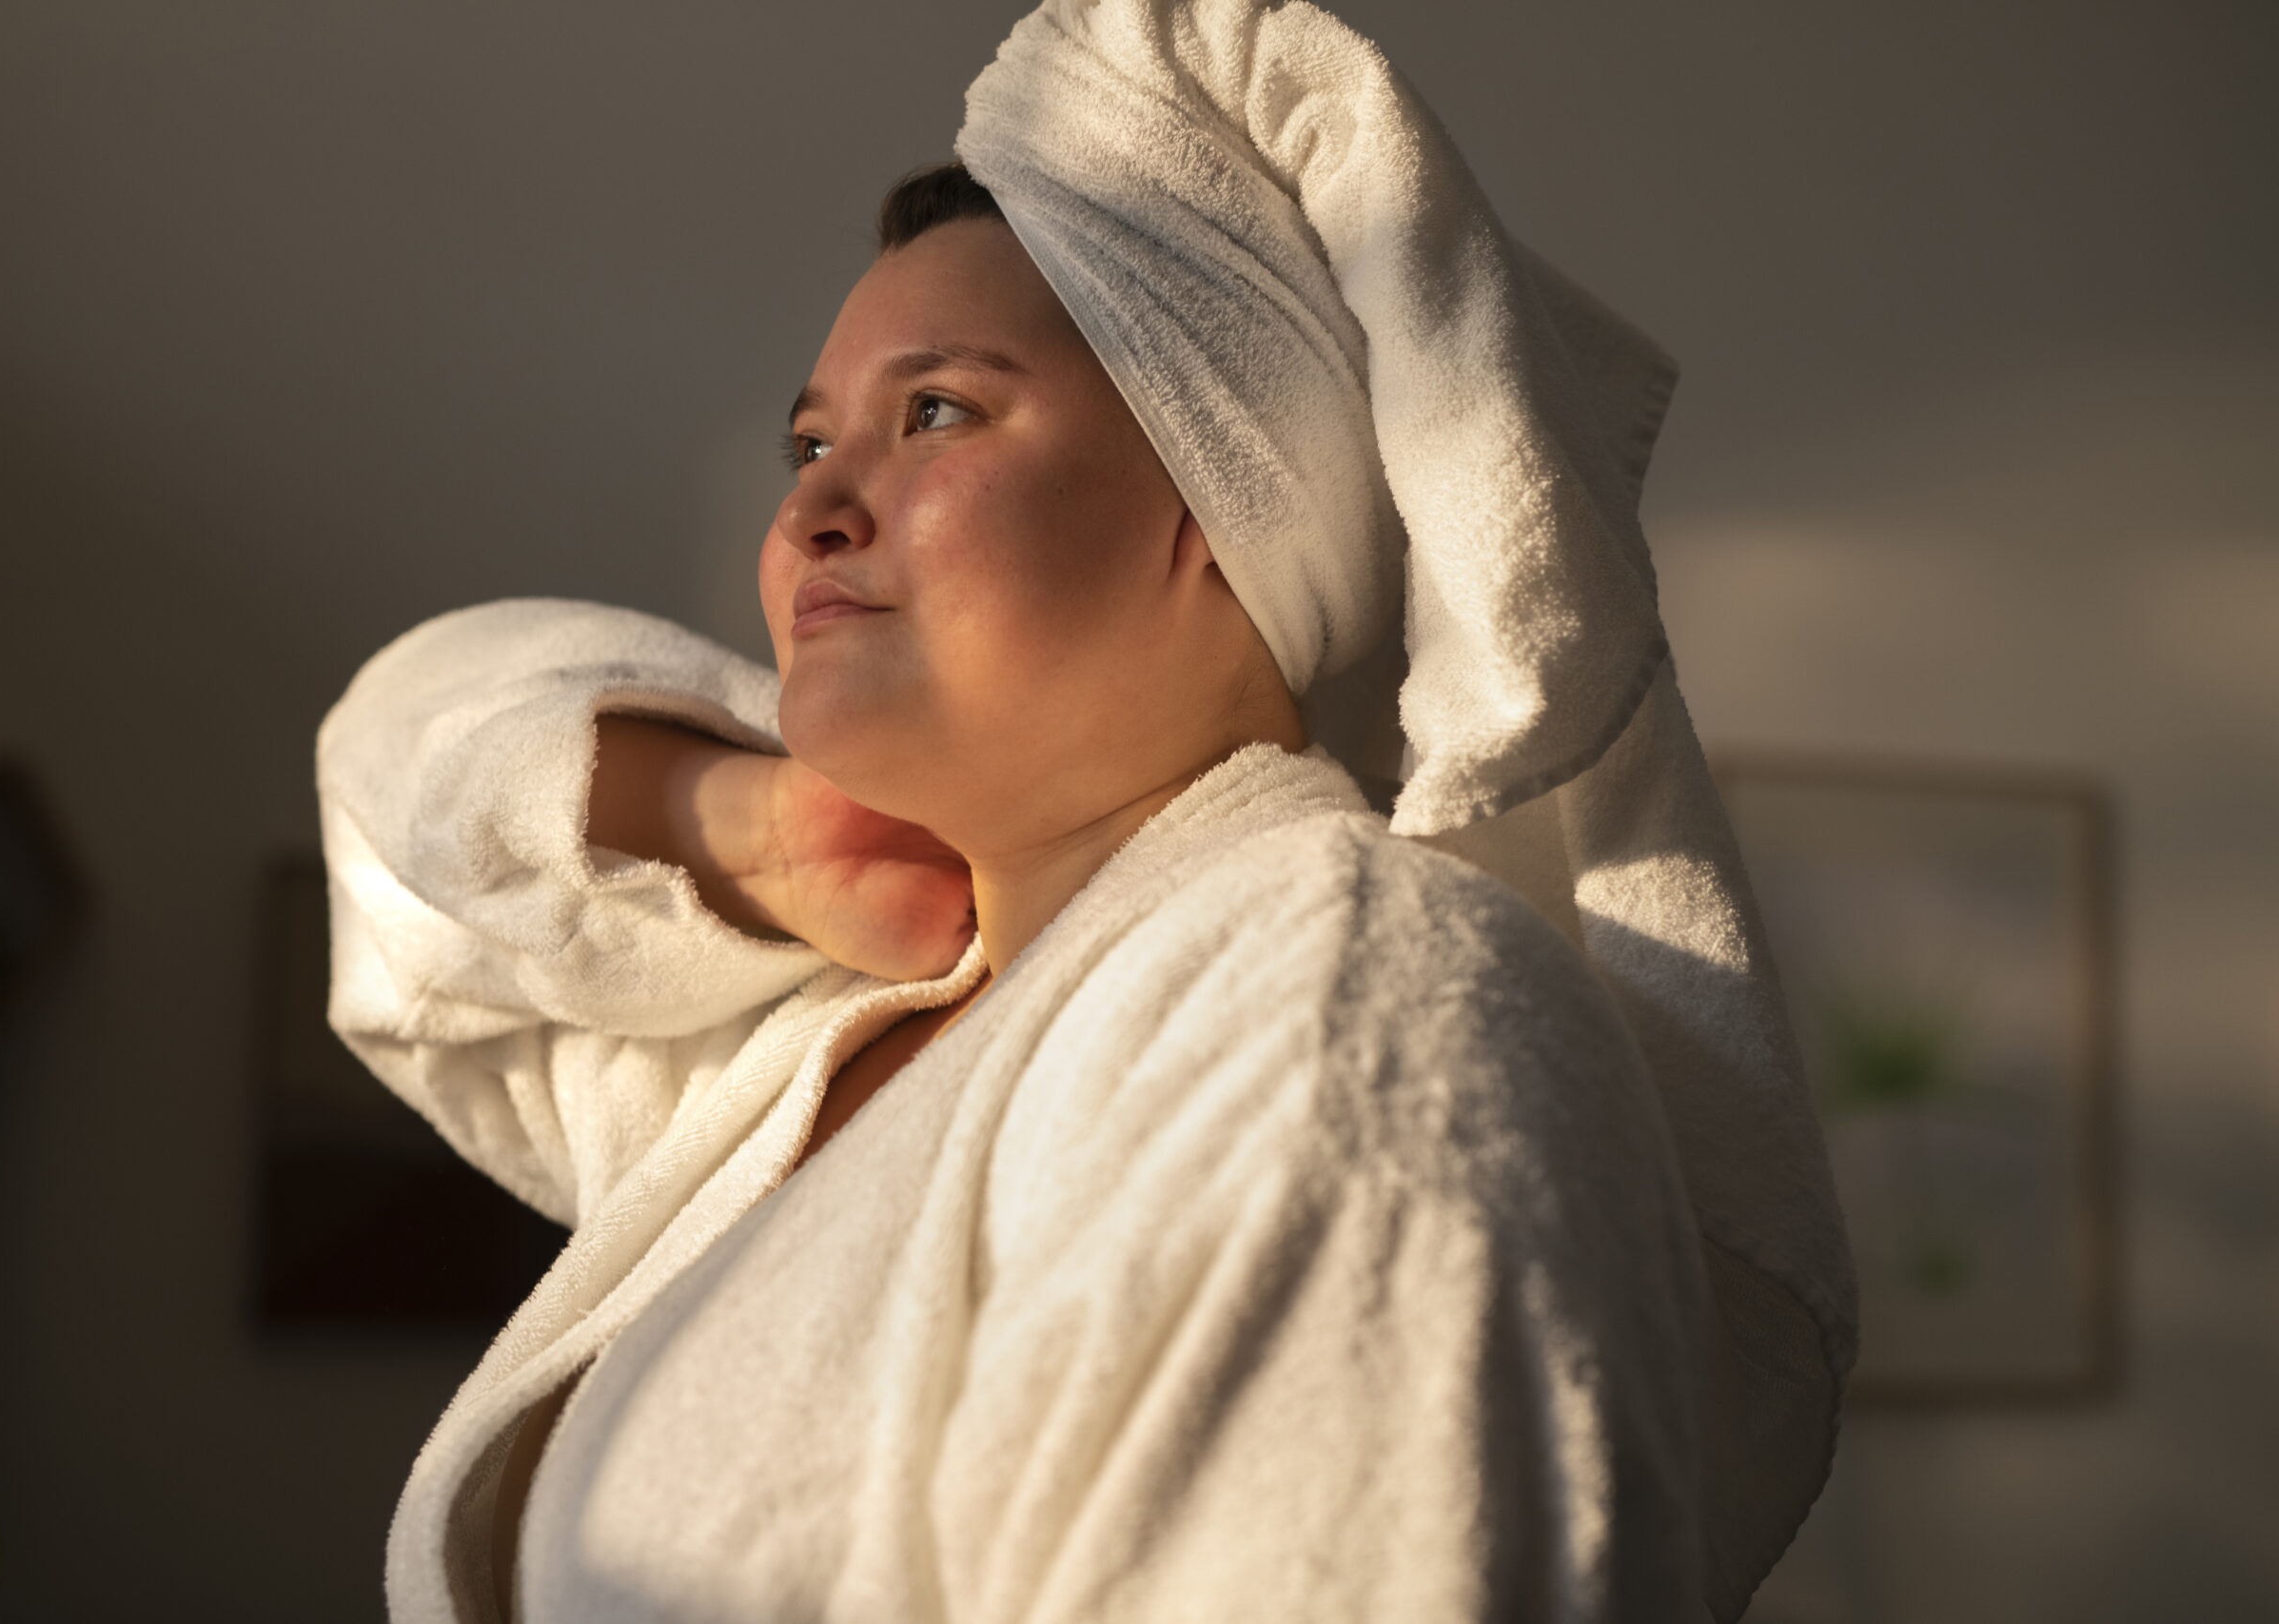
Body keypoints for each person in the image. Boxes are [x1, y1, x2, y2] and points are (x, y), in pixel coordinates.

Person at [319, 4, 1856, 1620]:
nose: (815, 505)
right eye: (810, 438)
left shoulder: (1336, 995)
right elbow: (390, 802)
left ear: (1224, 502)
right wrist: (751, 824)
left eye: (937, 414)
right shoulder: (846, 1034)